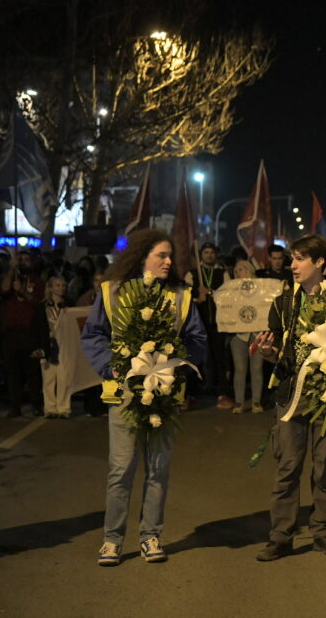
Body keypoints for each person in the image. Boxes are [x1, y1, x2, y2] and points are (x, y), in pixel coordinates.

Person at [81, 229, 206, 566]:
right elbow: (93, 335)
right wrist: (112, 367)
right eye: (161, 255)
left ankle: (151, 536)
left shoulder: (181, 295)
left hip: (164, 395)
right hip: (123, 394)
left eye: (170, 256)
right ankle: (112, 540)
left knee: (158, 468)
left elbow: (197, 339)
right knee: (121, 469)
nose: (168, 262)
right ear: (141, 257)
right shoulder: (112, 292)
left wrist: (176, 365)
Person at [253, 235, 326, 561]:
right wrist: (268, 352)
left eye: (299, 259)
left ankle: (323, 532)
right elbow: (277, 355)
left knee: (324, 466)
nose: (292, 266)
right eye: (291, 259)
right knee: (288, 467)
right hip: (291, 395)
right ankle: (281, 536)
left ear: (319, 262)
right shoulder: (284, 302)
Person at [0, 251, 45, 416]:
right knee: (13, 373)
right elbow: (3, 290)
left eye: (26, 260)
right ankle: (15, 407)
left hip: (29, 332)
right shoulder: (10, 278)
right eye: (21, 260)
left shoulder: (37, 282)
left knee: (32, 371)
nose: (23, 262)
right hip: (10, 333)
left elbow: (37, 302)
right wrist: (12, 268)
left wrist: (23, 292)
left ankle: (35, 405)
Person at [186, 242, 232, 409]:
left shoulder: (222, 273)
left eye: (212, 252)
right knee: (194, 358)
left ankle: (223, 394)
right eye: (206, 252)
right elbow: (185, 299)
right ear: (201, 255)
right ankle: (190, 395)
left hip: (217, 324)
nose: (209, 255)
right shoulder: (191, 274)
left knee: (219, 359)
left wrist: (212, 293)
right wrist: (198, 298)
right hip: (197, 324)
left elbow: (229, 296)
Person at [32, 276, 72, 418]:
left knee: (64, 378)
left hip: (65, 345)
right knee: (48, 379)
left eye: (63, 285)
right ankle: (50, 408)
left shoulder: (68, 305)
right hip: (48, 345)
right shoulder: (41, 307)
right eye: (57, 285)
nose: (61, 288)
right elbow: (36, 329)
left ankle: (63, 408)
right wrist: (37, 347)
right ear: (50, 288)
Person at [229, 260, 266, 414]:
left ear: (250, 271)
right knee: (240, 368)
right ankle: (239, 402)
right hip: (239, 335)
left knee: (256, 368)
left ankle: (256, 402)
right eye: (236, 271)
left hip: (257, 334)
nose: (238, 273)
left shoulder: (262, 289)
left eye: (242, 269)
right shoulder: (230, 291)